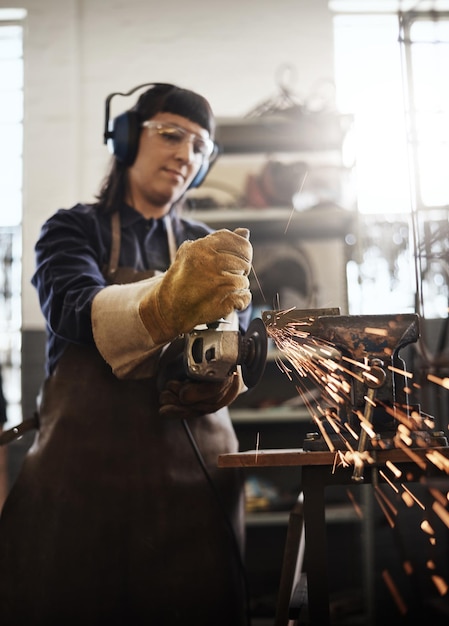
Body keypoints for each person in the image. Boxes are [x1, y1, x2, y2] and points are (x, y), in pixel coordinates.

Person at [0, 83, 253, 626]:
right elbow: (74, 309)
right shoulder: (73, 230)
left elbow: (236, 328)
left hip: (197, 498)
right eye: (171, 135)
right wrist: (166, 302)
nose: (186, 154)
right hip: (82, 494)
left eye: (199, 147)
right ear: (124, 139)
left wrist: (221, 365)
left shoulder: (209, 245)